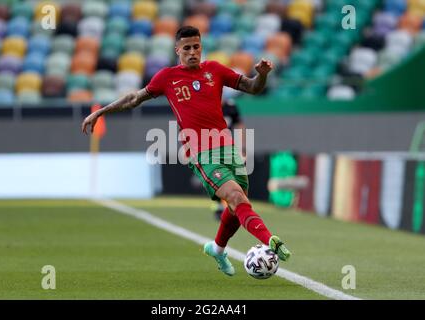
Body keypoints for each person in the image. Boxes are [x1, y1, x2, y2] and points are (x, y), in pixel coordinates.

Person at [82, 26, 291, 276]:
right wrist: (101, 111)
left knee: (238, 206)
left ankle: (217, 248)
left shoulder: (215, 70)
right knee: (235, 197)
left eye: (196, 47)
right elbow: (133, 99)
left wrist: (263, 75)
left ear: (201, 47)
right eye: (187, 48)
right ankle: (271, 241)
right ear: (177, 50)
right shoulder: (166, 77)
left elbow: (253, 88)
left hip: (227, 147)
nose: (192, 52)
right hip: (200, 150)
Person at [212, 98, 246, 221]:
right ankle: (219, 205)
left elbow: (240, 124)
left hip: (228, 147)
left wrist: (242, 147)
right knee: (218, 177)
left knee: (230, 177)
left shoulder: (230, 106)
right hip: (211, 147)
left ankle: (228, 206)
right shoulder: (208, 105)